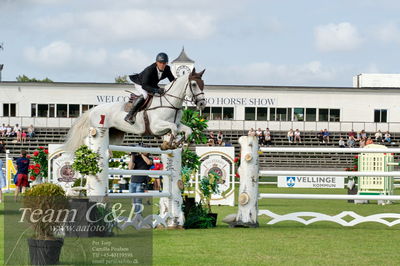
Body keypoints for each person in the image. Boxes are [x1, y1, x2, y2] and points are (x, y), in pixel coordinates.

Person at [126, 52, 175, 124]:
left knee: (162, 95)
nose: (162, 65)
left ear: (166, 63)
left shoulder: (167, 69)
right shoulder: (150, 69)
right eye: (160, 62)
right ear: (156, 62)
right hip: (140, 83)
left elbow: (172, 81)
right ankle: (129, 115)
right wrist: (156, 90)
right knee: (145, 95)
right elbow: (144, 86)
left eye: (164, 63)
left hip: (152, 84)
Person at [128, 145, 153, 212]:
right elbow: (130, 167)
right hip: (132, 182)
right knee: (133, 201)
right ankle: (136, 216)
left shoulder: (149, 158)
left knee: (138, 201)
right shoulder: (136, 158)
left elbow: (148, 162)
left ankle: (138, 216)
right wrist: (132, 155)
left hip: (141, 182)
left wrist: (141, 154)